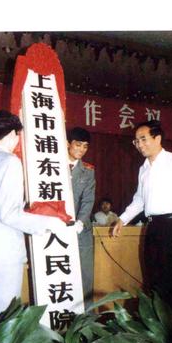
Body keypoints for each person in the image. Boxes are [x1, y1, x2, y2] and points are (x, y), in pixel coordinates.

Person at [0, 110, 70, 328]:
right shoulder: (9, 162)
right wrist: (52, 223)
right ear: (11, 134)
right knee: (6, 325)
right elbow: (10, 214)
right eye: (18, 134)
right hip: (3, 254)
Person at [112, 120, 172, 301]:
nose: (139, 145)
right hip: (153, 227)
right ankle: (156, 318)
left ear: (157, 138)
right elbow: (140, 199)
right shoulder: (144, 168)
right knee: (153, 279)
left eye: (143, 139)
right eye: (136, 141)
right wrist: (122, 219)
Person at [67, 127, 95, 306]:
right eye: (78, 145)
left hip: (81, 231)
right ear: (68, 144)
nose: (82, 150)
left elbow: (88, 199)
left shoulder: (88, 170)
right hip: (55, 230)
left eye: (85, 146)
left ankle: (88, 317)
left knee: (85, 276)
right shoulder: (50, 165)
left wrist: (80, 222)